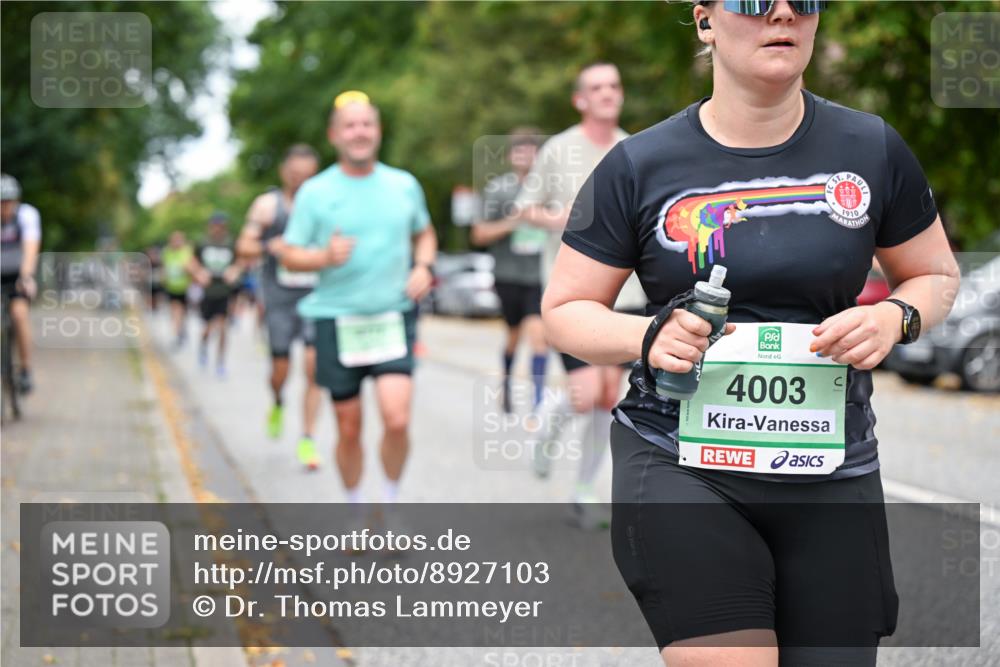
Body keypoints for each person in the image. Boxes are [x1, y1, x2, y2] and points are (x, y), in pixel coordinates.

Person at [541, 1, 961, 664]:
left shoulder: (872, 147)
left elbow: (935, 276)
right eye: (754, 0)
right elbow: (565, 308)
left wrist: (894, 316)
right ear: (706, 20)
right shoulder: (635, 164)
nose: (784, 13)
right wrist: (648, 337)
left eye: (805, 0)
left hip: (829, 464)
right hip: (681, 460)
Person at [281, 91, 437, 511]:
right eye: (350, 125)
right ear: (335, 135)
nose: (360, 132)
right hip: (337, 320)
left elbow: (424, 232)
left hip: (393, 314)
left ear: (378, 131)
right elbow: (289, 252)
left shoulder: (404, 185)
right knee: (349, 428)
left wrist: (423, 266)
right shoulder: (315, 192)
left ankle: (387, 504)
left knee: (397, 418)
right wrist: (322, 257)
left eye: (367, 123)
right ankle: (353, 506)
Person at [514, 62, 647, 528]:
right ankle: (547, 428)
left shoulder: (634, 149)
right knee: (588, 390)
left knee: (610, 398)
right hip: (572, 293)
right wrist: (561, 218)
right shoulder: (559, 149)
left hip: (628, 293)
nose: (608, 93)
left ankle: (585, 490)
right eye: (597, 87)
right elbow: (524, 207)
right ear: (580, 100)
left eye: (614, 85)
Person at [237, 144, 324, 469]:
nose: (301, 181)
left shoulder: (324, 205)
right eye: (295, 174)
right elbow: (243, 246)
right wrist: (267, 246)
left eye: (308, 176)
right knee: (280, 371)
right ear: (284, 173)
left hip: (316, 299)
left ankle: (308, 439)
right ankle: (277, 400)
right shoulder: (267, 205)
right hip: (279, 299)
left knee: (316, 368)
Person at [471, 128, 548, 414]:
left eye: (532, 150)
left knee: (539, 334)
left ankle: (538, 400)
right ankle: (505, 383)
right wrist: (513, 222)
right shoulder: (498, 190)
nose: (526, 156)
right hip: (507, 275)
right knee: (514, 334)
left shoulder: (551, 189)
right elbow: (479, 234)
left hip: (541, 276)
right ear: (510, 156)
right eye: (520, 150)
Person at [0, 174, 40, 394]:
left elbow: (30, 247)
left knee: (19, 315)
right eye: (0, 203)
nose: (4, 208)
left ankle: (25, 369)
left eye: (8, 202)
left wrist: (26, 277)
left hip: (17, 273)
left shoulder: (27, 215)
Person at [189, 213, 242, 378]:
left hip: (224, 292)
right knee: (207, 328)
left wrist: (235, 271)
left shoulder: (231, 243)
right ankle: (203, 347)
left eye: (221, 225)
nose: (218, 228)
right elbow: (191, 263)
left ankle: (220, 363)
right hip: (208, 292)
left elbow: (240, 262)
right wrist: (198, 273)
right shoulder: (202, 243)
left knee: (223, 327)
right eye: (215, 225)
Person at [161, 230, 193, 348]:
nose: (176, 242)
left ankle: (181, 331)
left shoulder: (186, 251)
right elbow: (164, 267)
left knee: (182, 312)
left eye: (179, 240)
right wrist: (163, 278)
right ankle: (176, 334)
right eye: (174, 240)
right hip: (171, 287)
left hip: (184, 287)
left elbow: (191, 267)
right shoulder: (167, 252)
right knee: (175, 311)